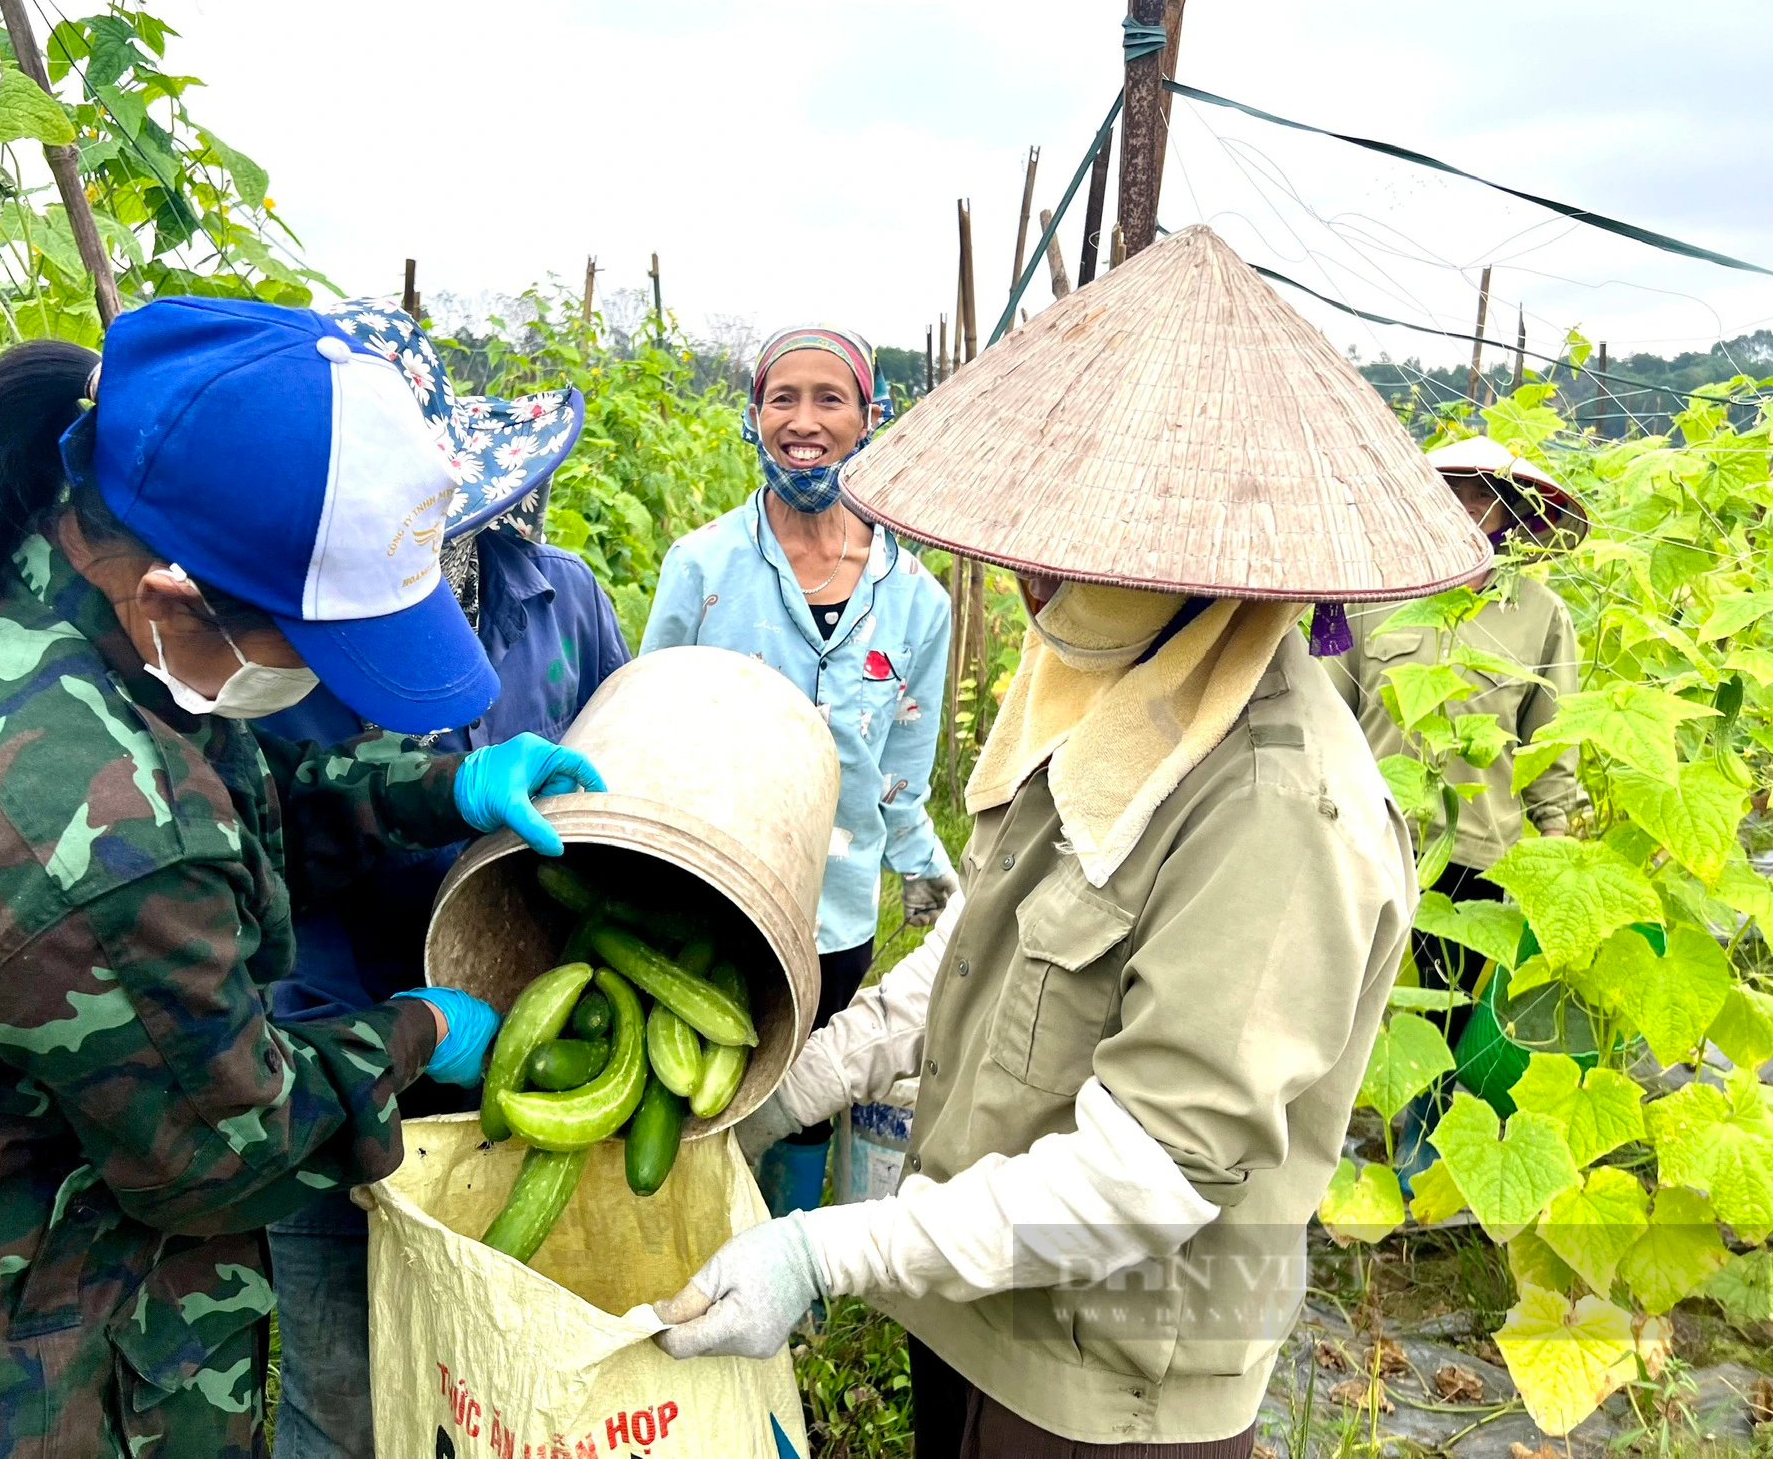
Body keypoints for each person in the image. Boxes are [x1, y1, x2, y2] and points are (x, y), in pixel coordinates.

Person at [643, 225, 1490, 1455]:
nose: (1032, 585)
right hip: (981, 1303)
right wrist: (817, 1076)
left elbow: (1150, 1173)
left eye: (1065, 554)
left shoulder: (1274, 811)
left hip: (1111, 1379)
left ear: (1189, 562)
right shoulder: (1125, 691)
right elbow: (993, 939)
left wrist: (826, 1247)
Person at [0, 299, 604, 1458]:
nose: (318, 679)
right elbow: (221, 1158)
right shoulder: (86, 819)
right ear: (174, 597)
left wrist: (437, 792)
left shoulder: (42, 618)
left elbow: (233, 804)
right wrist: (416, 1033)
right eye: (307, 648)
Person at [257, 297, 629, 1459]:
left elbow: (626, 783)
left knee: (502, 1383)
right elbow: (250, 840)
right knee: (344, 1400)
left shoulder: (557, 597)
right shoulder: (274, 636)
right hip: (324, 1069)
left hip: (521, 1053)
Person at [641, 323, 956, 1215]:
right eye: (784, 398)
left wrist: (925, 874)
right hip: (707, 883)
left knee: (807, 1090)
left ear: (870, 417)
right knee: (689, 1075)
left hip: (835, 908)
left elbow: (901, 768)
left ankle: (781, 1263)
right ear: (755, 416)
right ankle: (680, 1235)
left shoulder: (915, 600)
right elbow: (653, 716)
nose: (804, 421)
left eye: (831, 399)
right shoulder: (702, 566)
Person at [1325, 434, 1587, 1184]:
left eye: (1482, 495)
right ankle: (1329, 1144)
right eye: (1452, 490)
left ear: (1509, 512)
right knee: (1341, 1001)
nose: (1465, 508)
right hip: (1366, 839)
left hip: (1478, 850)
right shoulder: (1365, 596)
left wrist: (1558, 843)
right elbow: (1324, 711)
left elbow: (1551, 740)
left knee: (1447, 1013)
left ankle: (1424, 1153)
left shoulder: (1539, 615)